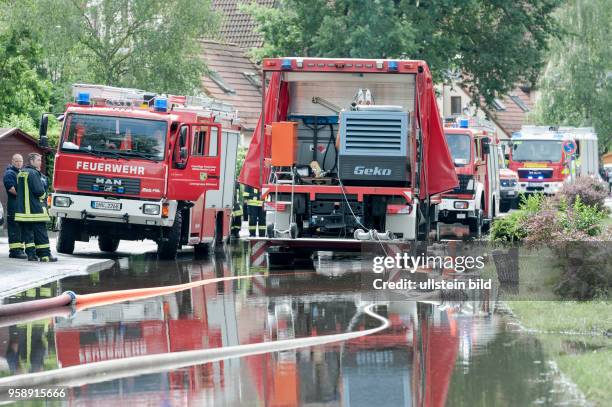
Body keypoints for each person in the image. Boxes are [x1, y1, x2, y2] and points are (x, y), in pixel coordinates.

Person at [15, 153, 57, 262]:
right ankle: (45, 255)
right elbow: (39, 191)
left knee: (28, 235)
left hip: (23, 212)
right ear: (31, 161)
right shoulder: (34, 173)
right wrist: (45, 196)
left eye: (40, 160)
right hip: (35, 211)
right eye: (38, 160)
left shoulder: (21, 173)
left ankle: (31, 255)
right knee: (41, 234)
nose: (40, 162)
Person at [3, 154, 26, 259]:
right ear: (12, 161)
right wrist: (22, 196)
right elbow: (11, 189)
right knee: (14, 228)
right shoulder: (9, 173)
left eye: (20, 161)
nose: (19, 163)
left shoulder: (21, 173)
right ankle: (14, 251)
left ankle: (20, 249)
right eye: (16, 161)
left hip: (20, 205)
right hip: (14, 205)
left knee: (20, 228)